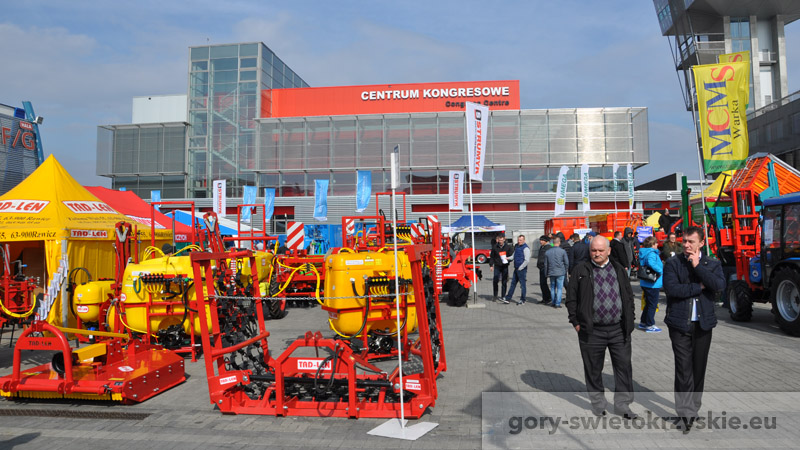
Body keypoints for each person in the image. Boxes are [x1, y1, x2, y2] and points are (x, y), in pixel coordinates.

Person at [566, 236, 637, 419]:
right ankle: (598, 405)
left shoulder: (618, 269)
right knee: (593, 369)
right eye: (593, 250)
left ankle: (623, 406)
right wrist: (576, 322)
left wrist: (630, 319)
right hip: (592, 331)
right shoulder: (581, 270)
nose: (596, 254)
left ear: (609, 251)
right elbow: (571, 298)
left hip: (618, 329)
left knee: (623, 368)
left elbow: (628, 296)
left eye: (600, 250)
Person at [662, 226, 725, 430]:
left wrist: (698, 267)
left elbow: (718, 286)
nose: (686, 245)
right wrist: (698, 287)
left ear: (701, 243)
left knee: (699, 368)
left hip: (703, 324)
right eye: (684, 241)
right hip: (679, 323)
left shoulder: (712, 264)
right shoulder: (673, 263)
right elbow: (672, 289)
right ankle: (685, 413)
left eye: (691, 242)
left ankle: (693, 408)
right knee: (683, 368)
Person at [637, 236, 663, 333]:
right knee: (652, 304)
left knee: (648, 303)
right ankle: (650, 324)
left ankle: (643, 322)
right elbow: (651, 263)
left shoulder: (644, 252)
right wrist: (660, 270)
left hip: (646, 282)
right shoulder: (651, 253)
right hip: (653, 283)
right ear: (652, 244)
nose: (657, 245)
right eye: (656, 243)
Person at [501, 235, 531, 305]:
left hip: (521, 269)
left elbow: (527, 260)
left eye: (520, 240)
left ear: (524, 240)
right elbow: (513, 256)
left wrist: (521, 267)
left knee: (522, 285)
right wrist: (507, 258)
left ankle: (522, 299)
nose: (519, 241)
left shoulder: (526, 248)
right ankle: (508, 298)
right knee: (513, 284)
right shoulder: (517, 247)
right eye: (518, 240)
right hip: (516, 268)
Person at [544, 236, 570, 308]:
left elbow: (546, 264)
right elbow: (566, 262)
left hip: (551, 272)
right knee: (559, 288)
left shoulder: (547, 252)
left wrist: (546, 273)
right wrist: (565, 270)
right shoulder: (562, 251)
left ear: (553, 242)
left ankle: (553, 302)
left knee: (552, 288)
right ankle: (557, 303)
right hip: (560, 272)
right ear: (559, 242)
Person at [489, 235, 513, 302]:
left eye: (502, 240)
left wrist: (508, 260)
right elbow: (492, 257)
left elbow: (511, 256)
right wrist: (491, 265)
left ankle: (503, 296)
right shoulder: (495, 247)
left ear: (504, 240)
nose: (500, 242)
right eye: (499, 240)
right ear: (498, 240)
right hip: (497, 266)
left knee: (504, 281)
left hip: (505, 266)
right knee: (495, 280)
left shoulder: (508, 247)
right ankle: (495, 295)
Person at [536, 236, 552, 305]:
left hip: (545, 267)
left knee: (543, 283)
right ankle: (545, 298)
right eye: (540, 240)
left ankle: (548, 298)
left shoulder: (548, 247)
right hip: (541, 267)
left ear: (546, 241)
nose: (541, 241)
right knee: (542, 284)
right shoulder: (542, 247)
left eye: (542, 240)